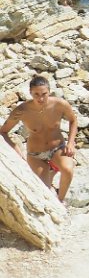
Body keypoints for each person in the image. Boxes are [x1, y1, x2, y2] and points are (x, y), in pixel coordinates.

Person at [0, 75, 78, 203]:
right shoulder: (21, 111)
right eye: (36, 94)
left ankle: (60, 200)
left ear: (49, 91)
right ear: (30, 92)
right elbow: (3, 131)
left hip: (57, 149)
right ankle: (51, 174)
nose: (40, 98)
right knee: (45, 193)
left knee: (68, 170)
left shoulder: (60, 104)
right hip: (36, 155)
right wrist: (16, 150)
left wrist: (70, 143)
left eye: (44, 94)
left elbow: (73, 120)